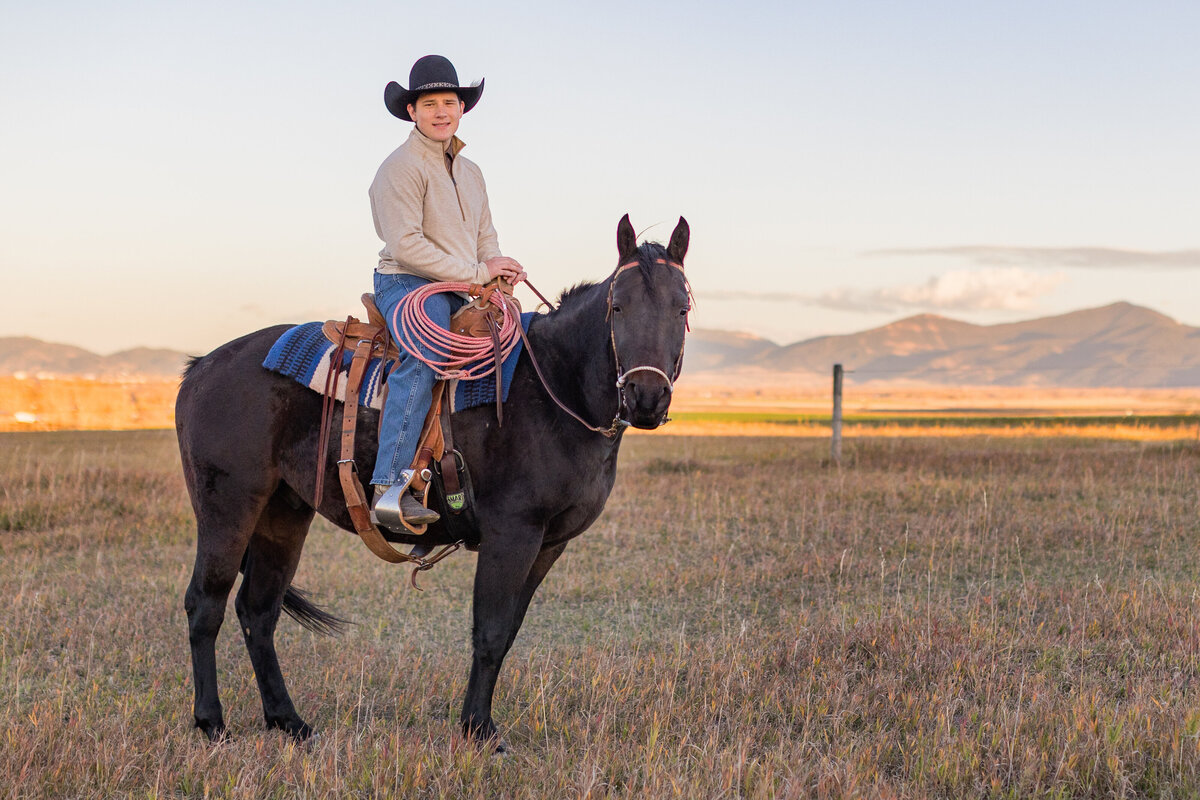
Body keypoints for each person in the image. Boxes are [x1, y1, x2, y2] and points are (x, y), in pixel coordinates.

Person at [369, 55, 525, 528]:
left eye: (449, 102)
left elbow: (485, 235)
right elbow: (407, 244)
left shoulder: (472, 171)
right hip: (408, 281)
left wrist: (495, 276)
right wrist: (477, 271)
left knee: (518, 343)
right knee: (426, 352)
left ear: (462, 108)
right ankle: (389, 485)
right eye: (429, 103)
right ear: (412, 112)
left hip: (464, 281)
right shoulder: (400, 167)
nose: (441, 111)